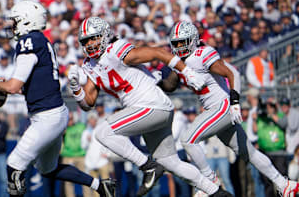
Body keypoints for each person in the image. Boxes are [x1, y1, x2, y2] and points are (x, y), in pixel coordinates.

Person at [68, 16, 231, 197]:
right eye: (86, 40)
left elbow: (157, 53)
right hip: (152, 110)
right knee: (170, 162)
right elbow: (88, 104)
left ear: (106, 35)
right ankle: (216, 191)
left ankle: (148, 166)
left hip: (150, 105)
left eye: (94, 38)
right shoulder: (90, 65)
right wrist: (76, 89)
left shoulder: (116, 50)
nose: (90, 43)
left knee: (103, 132)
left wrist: (186, 71)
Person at [0, 1, 115, 197]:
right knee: (47, 169)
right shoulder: (40, 40)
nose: (13, 26)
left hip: (46, 117)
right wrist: (5, 85)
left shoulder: (29, 42)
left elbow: (13, 86)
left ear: (27, 21)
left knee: (14, 165)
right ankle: (101, 186)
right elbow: (26, 86)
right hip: (54, 114)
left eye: (16, 21)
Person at [156, 21, 299, 197]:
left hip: (222, 107)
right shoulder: (180, 61)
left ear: (193, 40)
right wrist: (157, 82)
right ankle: (284, 183)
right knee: (249, 153)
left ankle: (209, 181)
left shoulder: (203, 54)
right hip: (214, 109)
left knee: (187, 139)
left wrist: (235, 102)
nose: (178, 47)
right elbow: (171, 84)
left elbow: (231, 74)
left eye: (182, 42)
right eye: (176, 43)